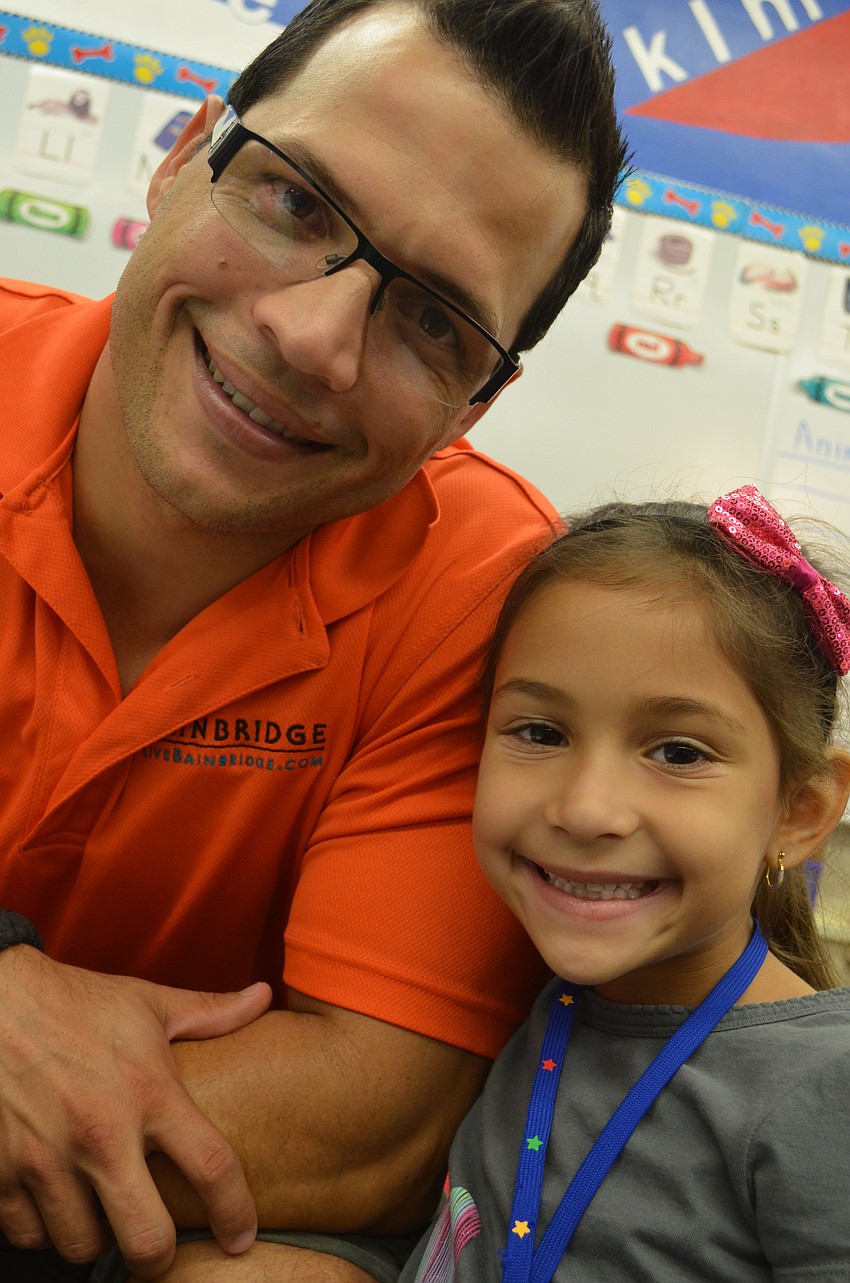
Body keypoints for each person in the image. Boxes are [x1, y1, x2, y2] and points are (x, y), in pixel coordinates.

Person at [0, 1, 629, 1281]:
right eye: (294, 202)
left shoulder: (493, 595)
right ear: (185, 155)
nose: (311, 337)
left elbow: (368, 1123)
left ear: (476, 403)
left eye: (435, 320)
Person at [401, 486, 850, 1282]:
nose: (585, 809)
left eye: (678, 752)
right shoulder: (532, 997)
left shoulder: (824, 1088)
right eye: (540, 732)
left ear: (799, 811)